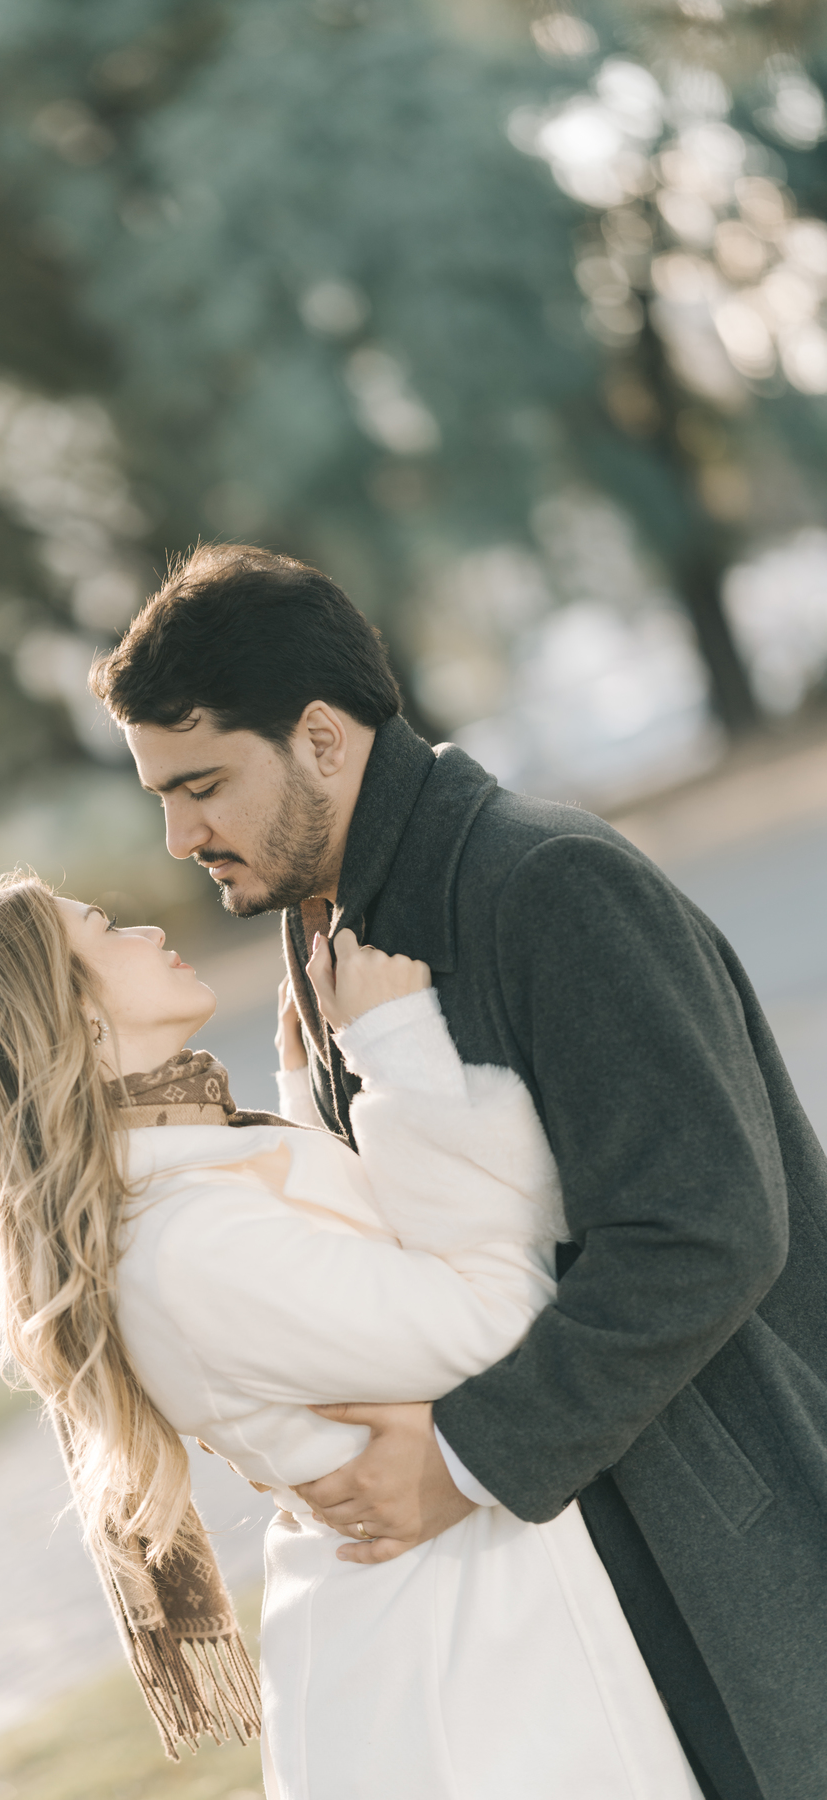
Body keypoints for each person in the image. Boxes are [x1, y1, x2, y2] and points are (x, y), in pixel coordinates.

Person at [90, 542, 827, 1800]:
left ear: (322, 738)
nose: (179, 835)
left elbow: (706, 1230)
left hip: (723, 1545)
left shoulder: (548, 883)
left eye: (203, 783)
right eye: (162, 794)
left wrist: (464, 1459)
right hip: (578, 1577)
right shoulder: (323, 925)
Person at [0, 872, 700, 1798]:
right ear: (69, 1018)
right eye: (105, 930)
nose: (149, 927)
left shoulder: (191, 1170)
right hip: (462, 1675)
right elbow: (506, 1325)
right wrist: (402, 1060)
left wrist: (309, 1108)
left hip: (470, 1629)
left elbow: (342, 1271)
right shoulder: (183, 1246)